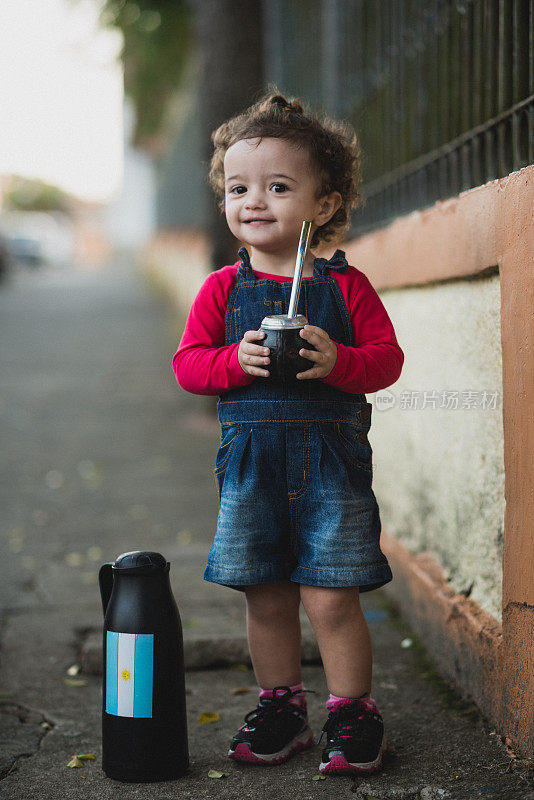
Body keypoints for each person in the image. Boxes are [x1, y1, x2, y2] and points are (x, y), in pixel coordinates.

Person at [172, 90, 404, 775]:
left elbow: (387, 361)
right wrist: (230, 362)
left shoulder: (345, 286)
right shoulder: (221, 288)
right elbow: (188, 366)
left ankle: (353, 712)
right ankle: (280, 704)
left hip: (330, 467)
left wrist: (340, 361)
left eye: (278, 187)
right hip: (251, 470)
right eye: (239, 187)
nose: (255, 201)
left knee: (331, 598)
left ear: (323, 205)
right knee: (266, 596)